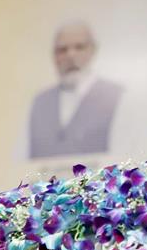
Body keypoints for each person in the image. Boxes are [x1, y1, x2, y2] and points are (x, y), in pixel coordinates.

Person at [27, 21, 125, 159]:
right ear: (54, 56)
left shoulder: (117, 96)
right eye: (62, 50)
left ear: (93, 50)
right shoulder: (39, 102)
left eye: (79, 47)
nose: (70, 55)